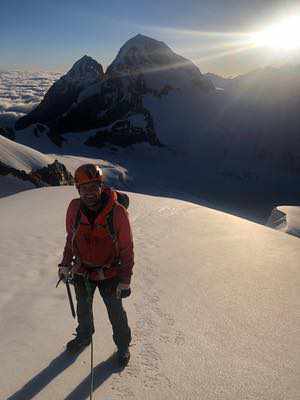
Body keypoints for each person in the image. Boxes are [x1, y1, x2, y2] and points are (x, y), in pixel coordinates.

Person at [58, 163, 134, 367]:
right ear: (78, 189)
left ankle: (123, 345)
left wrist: (125, 280)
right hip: (82, 270)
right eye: (84, 188)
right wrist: (65, 263)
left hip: (110, 272)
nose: (89, 193)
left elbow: (127, 249)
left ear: (101, 186)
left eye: (94, 187)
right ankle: (84, 336)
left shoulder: (117, 213)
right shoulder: (74, 209)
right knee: (83, 309)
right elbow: (71, 238)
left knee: (115, 312)